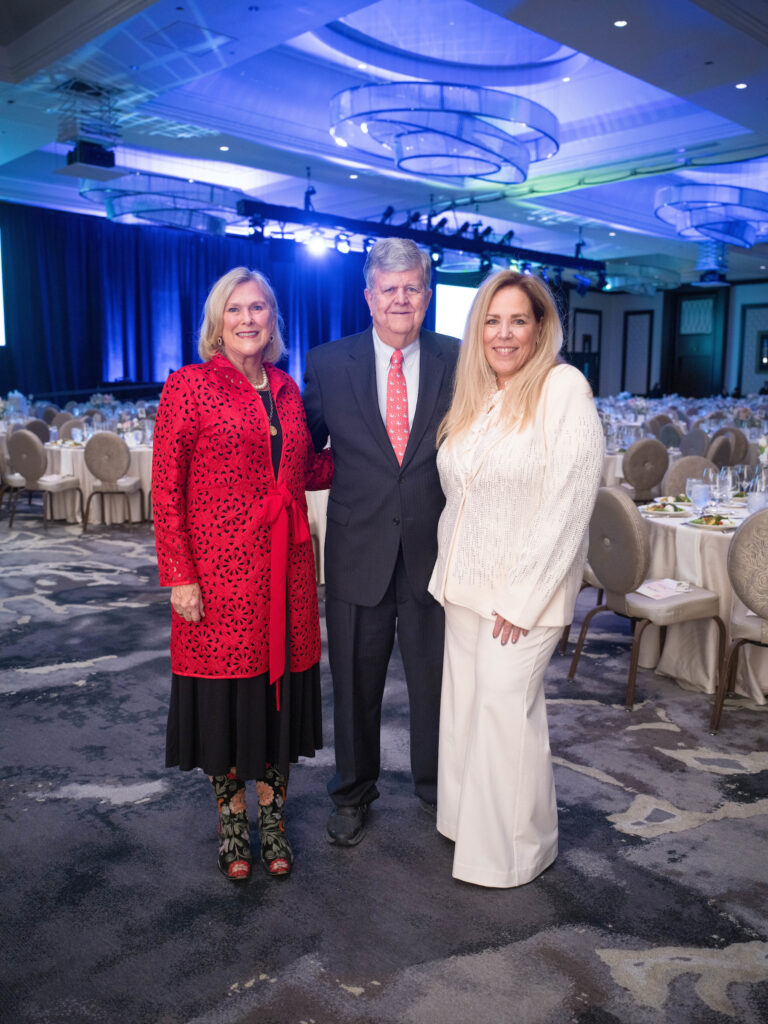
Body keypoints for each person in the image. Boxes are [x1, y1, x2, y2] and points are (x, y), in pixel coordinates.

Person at [152, 266, 332, 882]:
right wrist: (180, 574)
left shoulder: (285, 387)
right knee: (226, 697)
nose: (248, 318)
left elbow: (304, 468)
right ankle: (232, 820)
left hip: (287, 570)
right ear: (217, 322)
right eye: (235, 310)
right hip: (219, 575)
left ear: (273, 319)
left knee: (278, 696)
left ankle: (273, 816)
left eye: (258, 308)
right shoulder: (188, 386)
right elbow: (166, 489)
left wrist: (375, 447)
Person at [428, 269, 603, 888]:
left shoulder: (562, 388)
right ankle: (463, 824)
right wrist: (449, 575)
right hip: (464, 586)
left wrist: (523, 597)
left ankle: (512, 854)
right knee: (468, 711)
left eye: (518, 321)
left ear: (540, 328)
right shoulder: (477, 396)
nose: (504, 334)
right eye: (492, 321)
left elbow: (570, 501)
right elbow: (462, 495)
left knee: (506, 713)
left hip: (521, 594)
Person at [303, 238, 460, 846]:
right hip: (355, 550)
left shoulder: (459, 359)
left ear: (427, 295)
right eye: (388, 289)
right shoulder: (326, 364)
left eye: (412, 287)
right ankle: (352, 790)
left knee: (435, 685)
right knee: (354, 683)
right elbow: (300, 449)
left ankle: (438, 789)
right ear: (368, 297)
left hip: (436, 553)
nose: (401, 299)